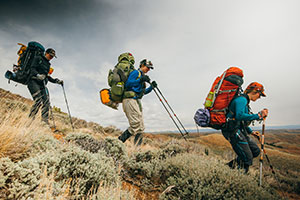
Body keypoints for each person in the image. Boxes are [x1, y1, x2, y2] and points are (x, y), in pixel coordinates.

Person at [222, 82, 268, 173]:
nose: (259, 97)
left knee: (255, 151)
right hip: (232, 131)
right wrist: (258, 115)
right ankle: (240, 177)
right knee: (247, 158)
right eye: (260, 95)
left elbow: (241, 120)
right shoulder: (241, 100)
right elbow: (239, 116)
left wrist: (250, 132)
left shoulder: (245, 101)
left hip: (239, 129)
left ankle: (227, 168)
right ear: (255, 91)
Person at [118, 59, 157, 145]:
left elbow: (143, 92)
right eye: (147, 67)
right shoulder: (136, 73)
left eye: (150, 68)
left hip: (136, 101)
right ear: (142, 65)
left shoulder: (142, 76)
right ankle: (118, 142)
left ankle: (137, 149)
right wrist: (140, 80)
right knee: (135, 124)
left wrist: (152, 87)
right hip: (129, 100)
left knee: (141, 127)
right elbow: (128, 84)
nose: (148, 69)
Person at [27, 48, 63, 125]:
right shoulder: (38, 58)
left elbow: (47, 77)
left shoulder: (48, 64)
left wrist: (56, 81)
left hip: (42, 84)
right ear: (46, 53)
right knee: (38, 100)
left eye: (52, 56)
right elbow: (32, 69)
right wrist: (37, 75)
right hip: (32, 81)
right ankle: (30, 120)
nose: (51, 57)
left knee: (46, 102)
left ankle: (44, 122)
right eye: (50, 55)